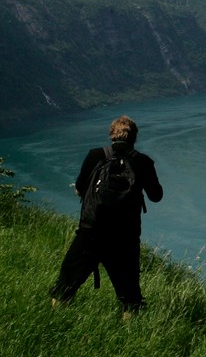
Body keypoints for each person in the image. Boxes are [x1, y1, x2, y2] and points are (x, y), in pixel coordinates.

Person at [50, 115, 163, 315]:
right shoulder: (143, 161)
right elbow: (156, 196)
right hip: (125, 236)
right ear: (134, 137)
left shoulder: (95, 155)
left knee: (66, 282)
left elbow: (79, 188)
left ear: (111, 135)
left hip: (91, 231)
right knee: (129, 293)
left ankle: (55, 318)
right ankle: (131, 332)